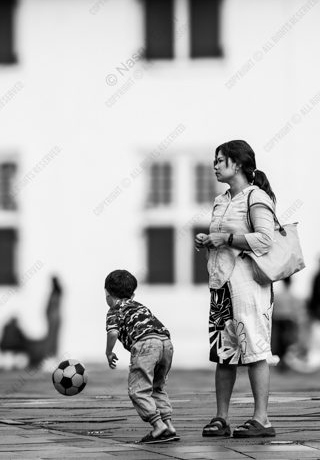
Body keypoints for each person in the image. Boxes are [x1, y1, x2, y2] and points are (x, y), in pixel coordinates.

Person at [195, 140, 277, 439]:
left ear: (238, 164)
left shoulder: (256, 198)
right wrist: (209, 241)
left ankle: (262, 419)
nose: (215, 165)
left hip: (249, 286)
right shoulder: (221, 200)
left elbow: (266, 240)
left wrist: (226, 239)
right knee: (223, 354)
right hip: (221, 285)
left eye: (220, 160)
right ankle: (221, 417)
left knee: (254, 349)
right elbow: (223, 240)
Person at [104, 269, 178, 444]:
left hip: (146, 345)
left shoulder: (114, 310)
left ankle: (158, 426)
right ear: (133, 293)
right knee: (157, 387)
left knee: (138, 390)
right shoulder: (140, 306)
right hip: (166, 343)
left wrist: (108, 352)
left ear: (107, 294)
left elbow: (113, 333)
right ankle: (169, 425)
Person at [271, 277, 304, 371]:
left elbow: (273, 310)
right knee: (287, 342)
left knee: (279, 342)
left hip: (277, 320)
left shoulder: (277, 295)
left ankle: (281, 362)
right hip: (288, 321)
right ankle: (285, 362)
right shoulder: (293, 296)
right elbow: (296, 312)